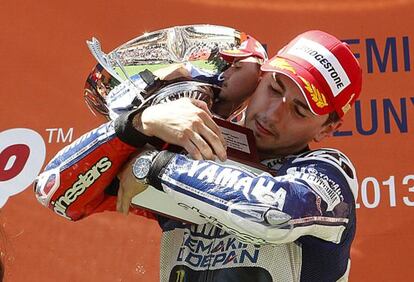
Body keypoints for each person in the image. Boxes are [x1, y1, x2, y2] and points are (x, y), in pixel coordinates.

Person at [35, 30, 362, 281]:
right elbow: (57, 193)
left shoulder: (325, 173)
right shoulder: (195, 153)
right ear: (260, 77)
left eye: (300, 110)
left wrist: (153, 167)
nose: (273, 114)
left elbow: (272, 214)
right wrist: (139, 124)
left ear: (326, 129)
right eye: (274, 89)